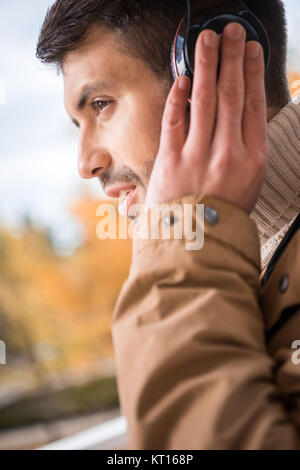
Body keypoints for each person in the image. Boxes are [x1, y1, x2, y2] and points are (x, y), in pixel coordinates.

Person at [36, 0, 300, 449]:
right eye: (78, 124)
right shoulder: (224, 259)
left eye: (102, 105)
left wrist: (184, 239)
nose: (86, 163)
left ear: (209, 68)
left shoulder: (194, 255)